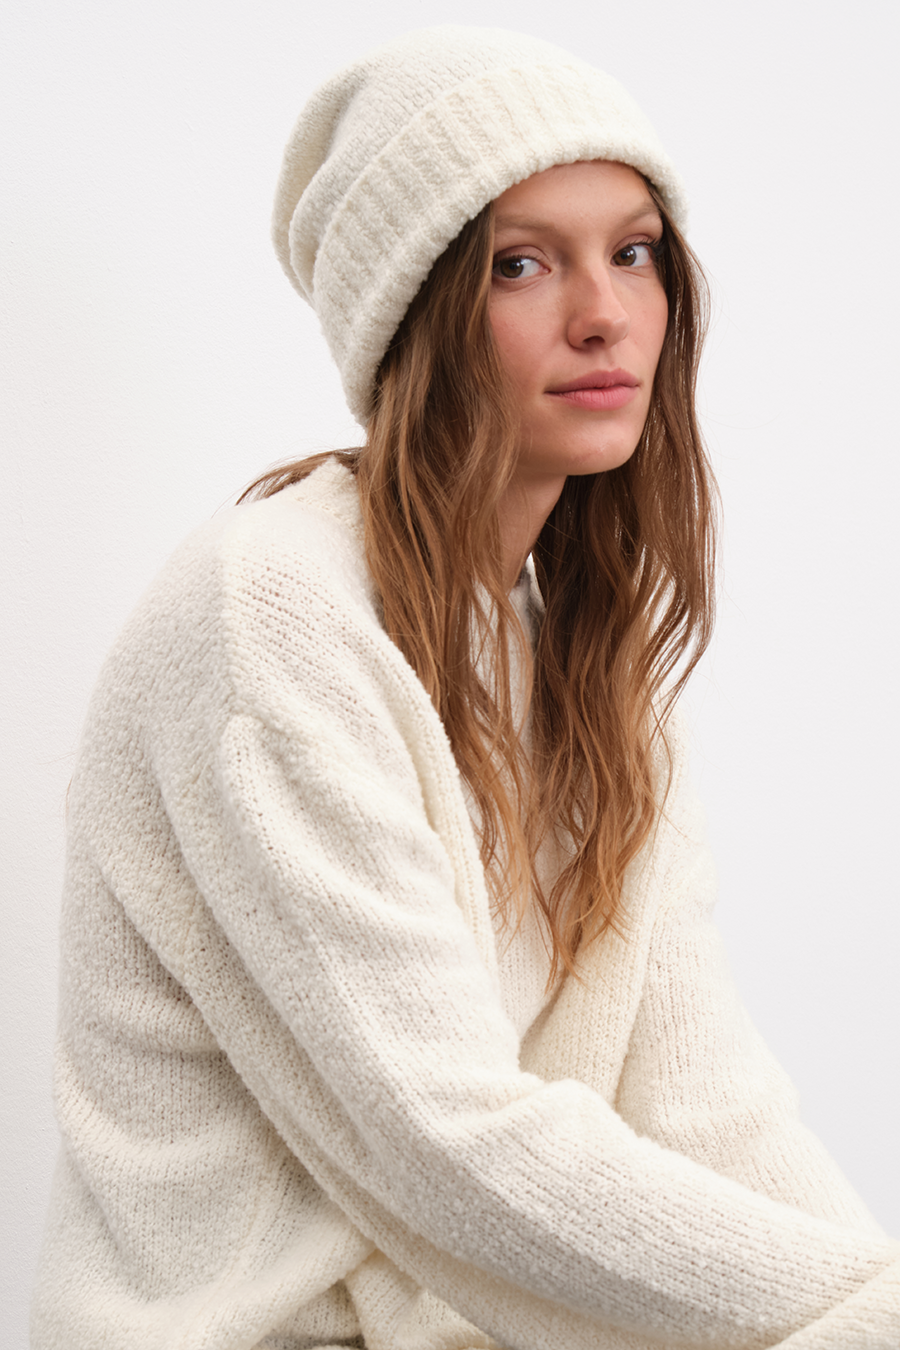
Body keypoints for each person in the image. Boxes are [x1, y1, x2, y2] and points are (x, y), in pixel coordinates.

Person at [31, 25, 900, 1350]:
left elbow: (710, 1110)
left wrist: (869, 1296)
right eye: (521, 263)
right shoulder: (267, 617)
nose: (604, 313)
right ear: (415, 312)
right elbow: (447, 1139)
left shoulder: (591, 667)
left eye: (635, 252)